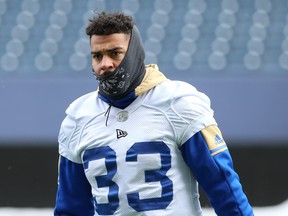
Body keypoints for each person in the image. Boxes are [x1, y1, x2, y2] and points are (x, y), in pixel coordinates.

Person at [54, 11, 254, 216]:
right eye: (97, 56)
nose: (105, 64)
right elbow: (71, 207)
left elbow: (223, 186)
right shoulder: (78, 118)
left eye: (115, 53)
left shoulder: (178, 103)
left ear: (133, 53)